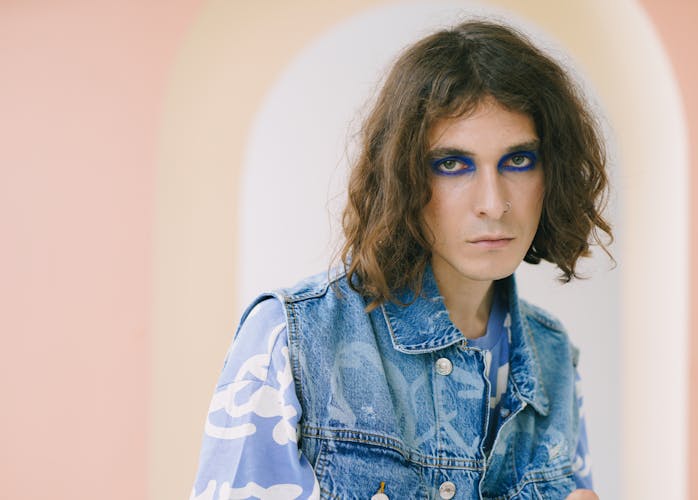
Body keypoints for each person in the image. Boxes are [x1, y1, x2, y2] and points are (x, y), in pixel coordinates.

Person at [191, 19, 612, 500]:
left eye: (517, 161)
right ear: (403, 176)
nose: (493, 203)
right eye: (453, 164)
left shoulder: (553, 355)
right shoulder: (291, 339)